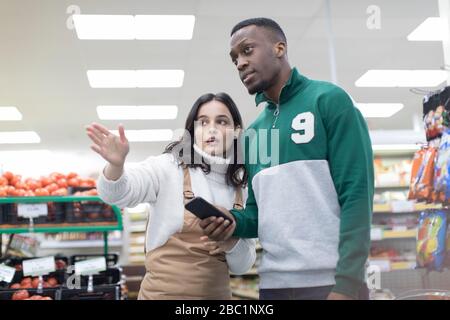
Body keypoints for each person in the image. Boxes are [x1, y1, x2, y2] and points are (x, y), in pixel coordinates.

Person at [199, 18, 374, 300]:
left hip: (330, 282)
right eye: (234, 59)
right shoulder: (253, 134)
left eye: (247, 50)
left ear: (279, 48)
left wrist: (347, 284)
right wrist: (232, 220)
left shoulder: (329, 101)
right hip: (274, 285)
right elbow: (259, 215)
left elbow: (357, 195)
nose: (240, 63)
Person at [86, 92, 256, 300]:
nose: (212, 128)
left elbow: (243, 265)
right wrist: (116, 165)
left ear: (236, 131)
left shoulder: (243, 185)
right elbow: (118, 195)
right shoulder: (168, 167)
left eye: (221, 121)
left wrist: (229, 242)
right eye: (203, 122)